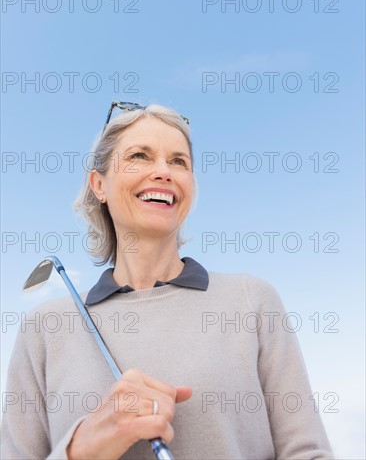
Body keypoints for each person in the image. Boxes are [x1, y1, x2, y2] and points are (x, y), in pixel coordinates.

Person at [2, 102, 334, 459]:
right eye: (140, 156)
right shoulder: (44, 328)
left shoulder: (252, 301)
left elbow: (308, 453)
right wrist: (78, 450)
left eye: (179, 161)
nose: (163, 172)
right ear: (98, 184)